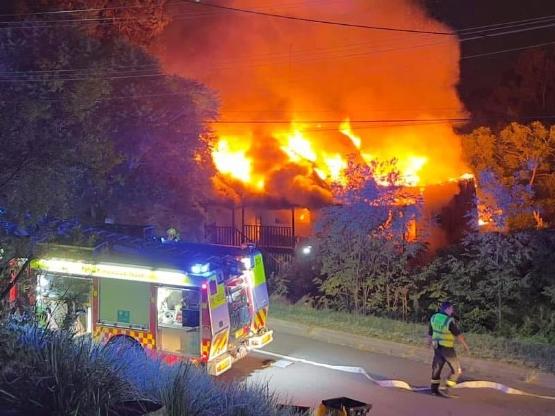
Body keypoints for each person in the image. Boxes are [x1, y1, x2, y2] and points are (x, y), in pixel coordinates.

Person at [427, 301, 470, 398]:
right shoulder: (449, 321)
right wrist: (466, 346)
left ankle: (434, 390)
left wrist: (428, 344)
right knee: (457, 370)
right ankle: (446, 388)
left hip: (437, 347)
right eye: (451, 308)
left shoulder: (434, 317)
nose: (452, 310)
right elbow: (458, 335)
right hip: (447, 349)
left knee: (436, 369)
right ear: (447, 309)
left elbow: (430, 333)